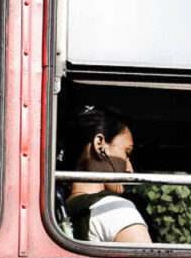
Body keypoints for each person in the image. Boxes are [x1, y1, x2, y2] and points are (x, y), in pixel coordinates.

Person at [63, 104, 150, 244]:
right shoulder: (114, 208)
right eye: (126, 153)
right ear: (100, 145)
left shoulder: (61, 209)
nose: (129, 169)